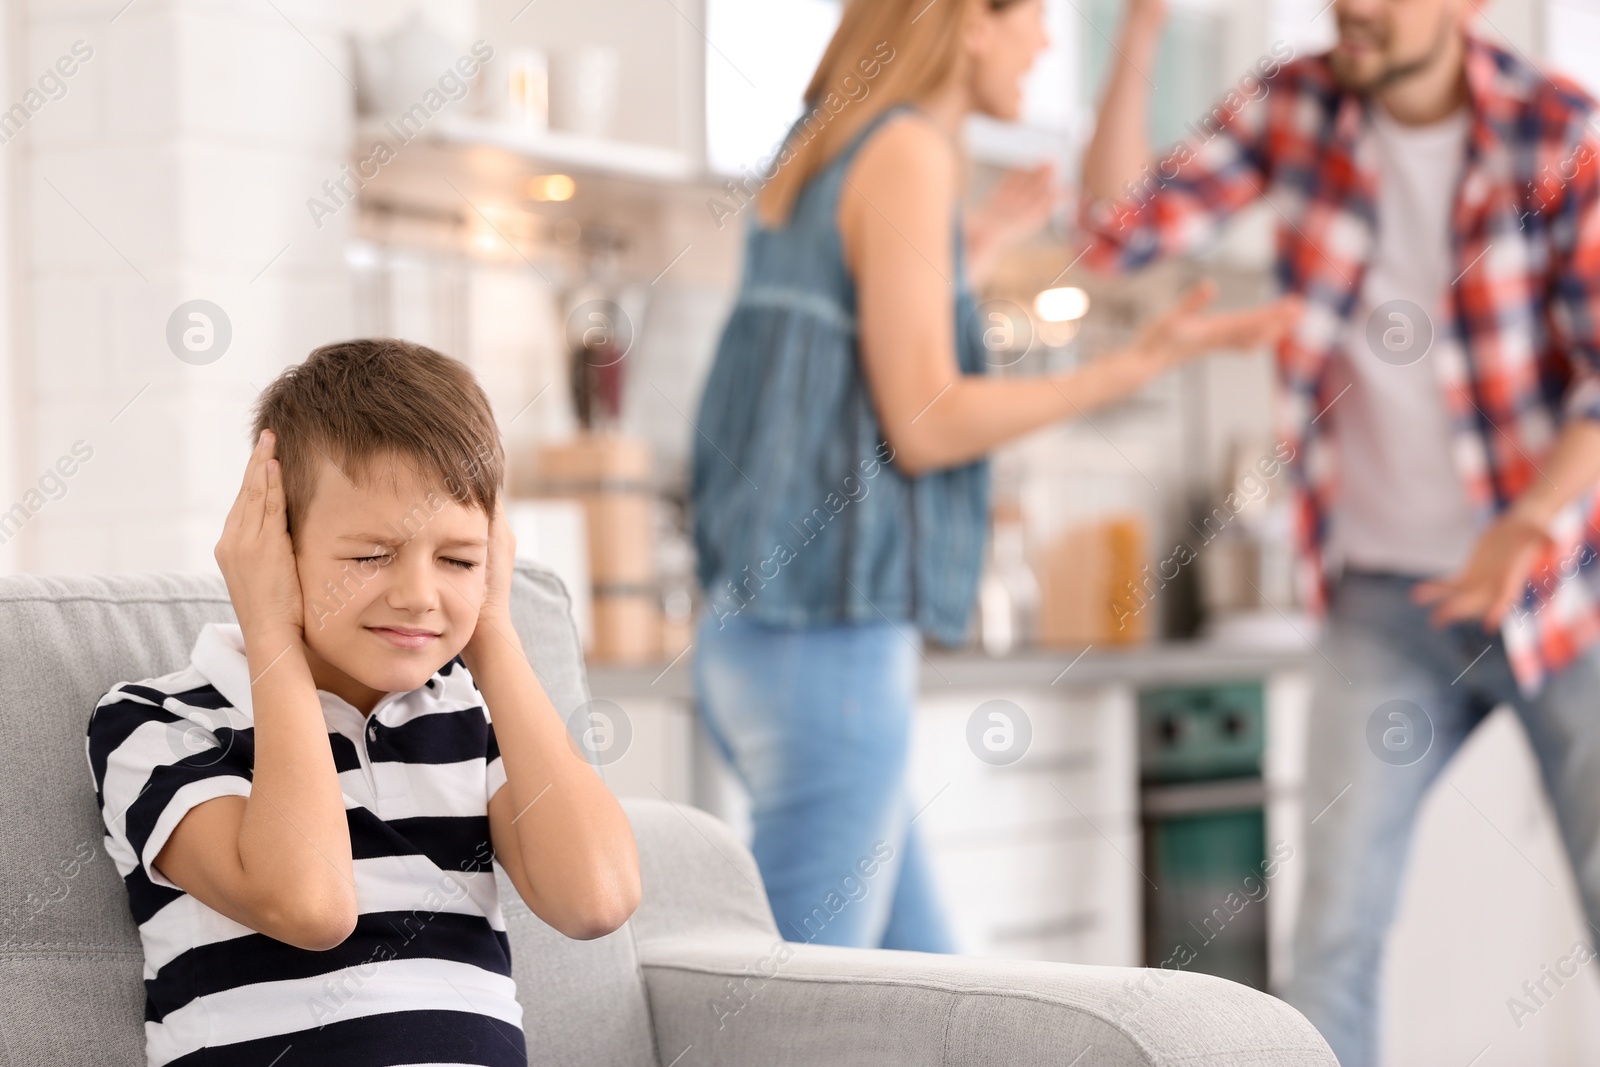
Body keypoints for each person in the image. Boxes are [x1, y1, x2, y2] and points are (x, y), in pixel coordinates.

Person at [689, 0, 1301, 954]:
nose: (1048, 42)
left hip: (756, 633)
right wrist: (1128, 367)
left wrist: (960, 258)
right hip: (834, 643)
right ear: (972, 19)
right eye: (1035, 19)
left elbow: (834, 357)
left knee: (931, 989)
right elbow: (928, 424)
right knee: (796, 1011)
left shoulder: (824, 143)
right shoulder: (909, 152)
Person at [1081, 0, 1600, 1062]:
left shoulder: (1557, 131)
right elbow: (1116, 236)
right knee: (1330, 940)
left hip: (1564, 589)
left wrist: (1528, 520)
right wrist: (1136, 36)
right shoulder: (1296, 106)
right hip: (1382, 599)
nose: (1352, 7)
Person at [85, 340, 640, 1064]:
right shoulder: (159, 724)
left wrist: (494, 631)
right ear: (275, 546)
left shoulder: (468, 722)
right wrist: (272, 637)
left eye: (458, 559)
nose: (418, 595)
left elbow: (595, 899)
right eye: (371, 555)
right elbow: (312, 905)